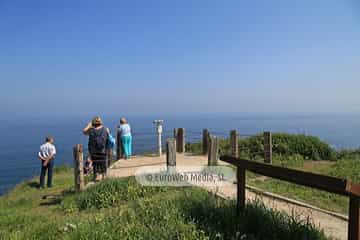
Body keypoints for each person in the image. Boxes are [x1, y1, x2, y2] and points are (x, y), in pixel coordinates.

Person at [83, 116, 109, 181]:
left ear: (93, 123)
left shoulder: (91, 130)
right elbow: (108, 137)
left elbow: (84, 131)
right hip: (103, 150)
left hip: (93, 151)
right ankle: (104, 176)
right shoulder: (105, 129)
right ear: (101, 122)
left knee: (95, 164)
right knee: (103, 163)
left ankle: (95, 177)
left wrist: (89, 125)